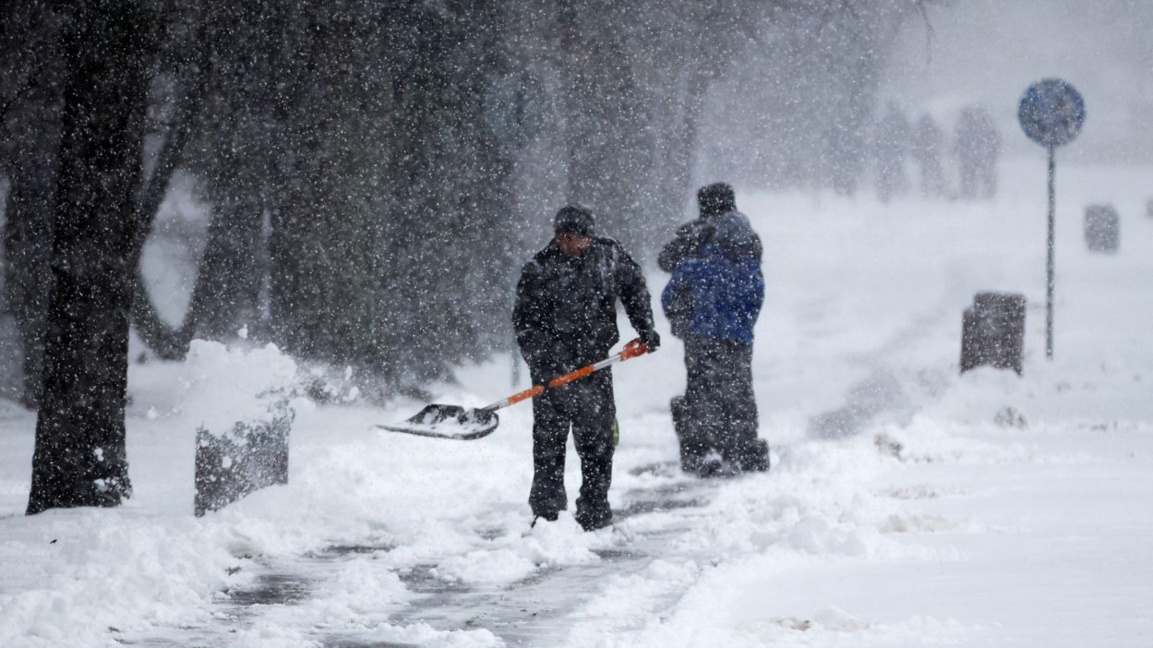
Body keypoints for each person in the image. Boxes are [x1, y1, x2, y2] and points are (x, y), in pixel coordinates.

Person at [513, 205, 660, 531]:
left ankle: (595, 508)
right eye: (562, 237)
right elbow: (525, 323)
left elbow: (634, 289)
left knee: (598, 441)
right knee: (549, 444)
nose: (568, 243)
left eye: (575, 237)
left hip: (594, 365)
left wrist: (645, 328)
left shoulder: (609, 257)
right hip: (551, 372)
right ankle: (548, 514)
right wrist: (543, 363)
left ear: (588, 236)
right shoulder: (539, 268)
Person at [658, 183, 768, 477]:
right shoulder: (748, 241)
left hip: (701, 331)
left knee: (701, 389)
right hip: (737, 333)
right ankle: (742, 448)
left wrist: (682, 321)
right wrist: (744, 320)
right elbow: (754, 288)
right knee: (739, 389)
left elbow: (669, 272)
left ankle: (700, 450)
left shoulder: (698, 246)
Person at [954, 106, 1001, 200]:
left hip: (974, 155)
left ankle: (971, 194)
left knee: (972, 175)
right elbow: (994, 140)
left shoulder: (966, 126)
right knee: (980, 175)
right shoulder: (983, 125)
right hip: (978, 155)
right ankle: (981, 194)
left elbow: (959, 141)